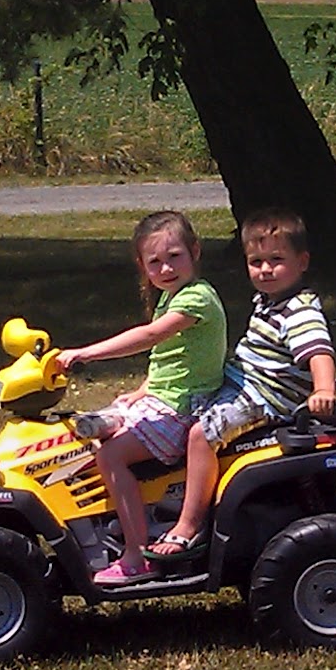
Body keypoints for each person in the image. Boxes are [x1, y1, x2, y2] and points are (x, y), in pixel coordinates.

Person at [146, 209, 336, 563]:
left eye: (276, 260)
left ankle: (189, 525)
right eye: (256, 262)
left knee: (201, 435)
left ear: (302, 262)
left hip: (267, 398)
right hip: (244, 383)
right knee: (177, 414)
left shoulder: (299, 310)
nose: (265, 270)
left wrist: (324, 390)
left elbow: (319, 351)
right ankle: (174, 495)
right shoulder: (269, 301)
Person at [55, 210, 226, 586]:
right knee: (80, 434)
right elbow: (173, 357)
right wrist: (142, 390)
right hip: (162, 398)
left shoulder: (197, 298)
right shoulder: (171, 296)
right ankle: (107, 519)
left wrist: (85, 353)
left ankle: (136, 555)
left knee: (110, 455)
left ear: (195, 251)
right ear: (142, 266)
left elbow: (150, 338)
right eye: (155, 262)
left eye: (174, 257)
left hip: (184, 409)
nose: (166, 268)